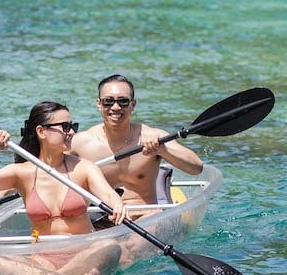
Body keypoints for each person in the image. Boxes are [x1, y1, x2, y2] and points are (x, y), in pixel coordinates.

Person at [0, 101, 128, 275]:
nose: (71, 132)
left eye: (73, 126)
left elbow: (108, 194)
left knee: (110, 247)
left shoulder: (83, 167)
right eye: (65, 127)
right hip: (43, 259)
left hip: (84, 253)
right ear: (41, 131)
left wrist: (117, 204)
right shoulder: (22, 173)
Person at [70, 74, 203, 216]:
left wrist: (163, 150)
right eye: (108, 101)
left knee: (141, 229)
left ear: (133, 105)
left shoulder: (154, 137)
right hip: (101, 217)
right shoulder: (80, 143)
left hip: (145, 216)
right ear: (98, 103)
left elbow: (196, 168)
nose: (115, 107)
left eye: (123, 102)